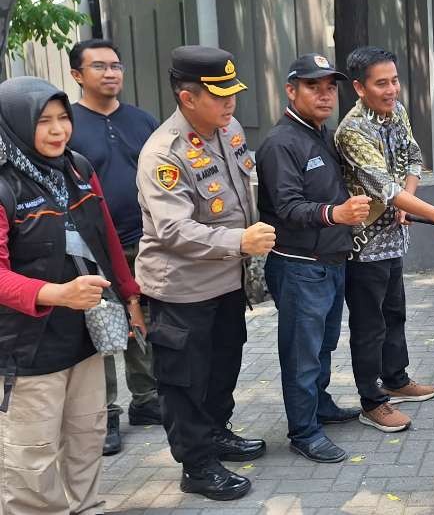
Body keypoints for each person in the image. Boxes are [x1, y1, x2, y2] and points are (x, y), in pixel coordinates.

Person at [136, 46, 276, 500]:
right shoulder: (163, 153)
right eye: (220, 95)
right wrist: (239, 242)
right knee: (185, 380)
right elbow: (173, 230)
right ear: (187, 97)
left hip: (225, 281)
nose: (231, 102)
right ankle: (196, 465)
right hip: (180, 288)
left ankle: (215, 434)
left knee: (223, 365)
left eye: (233, 92)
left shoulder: (228, 128)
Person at [0, 77, 141, 514]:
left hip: (84, 335)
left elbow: (107, 242)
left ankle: (87, 507)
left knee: (87, 435)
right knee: (32, 453)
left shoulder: (78, 167)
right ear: (16, 125)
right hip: (26, 347)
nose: (59, 130)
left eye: (63, 118)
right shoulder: (5, 186)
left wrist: (131, 297)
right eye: (44, 122)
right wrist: (56, 292)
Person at [335, 46, 434, 433]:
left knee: (395, 314)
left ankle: (396, 378)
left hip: (394, 237)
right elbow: (383, 186)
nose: (392, 89)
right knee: (368, 324)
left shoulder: (398, 112)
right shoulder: (351, 131)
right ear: (359, 87)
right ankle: (372, 401)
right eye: (381, 83)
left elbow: (411, 157)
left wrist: (410, 201)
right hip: (363, 246)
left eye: (394, 80)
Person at [256, 53, 372, 463]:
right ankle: (304, 431)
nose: (324, 95)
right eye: (312, 86)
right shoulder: (279, 142)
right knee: (301, 354)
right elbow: (287, 207)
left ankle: (318, 406)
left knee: (323, 345)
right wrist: (335, 214)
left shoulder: (321, 133)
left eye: (329, 87)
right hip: (299, 265)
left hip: (330, 261)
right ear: (291, 90)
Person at [67, 38, 162, 456]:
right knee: (101, 327)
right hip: (90, 247)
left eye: (116, 65)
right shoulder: (66, 123)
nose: (111, 73)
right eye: (99, 66)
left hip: (145, 241)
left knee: (146, 321)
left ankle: (146, 399)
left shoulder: (142, 121)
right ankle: (105, 412)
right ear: (76, 75)